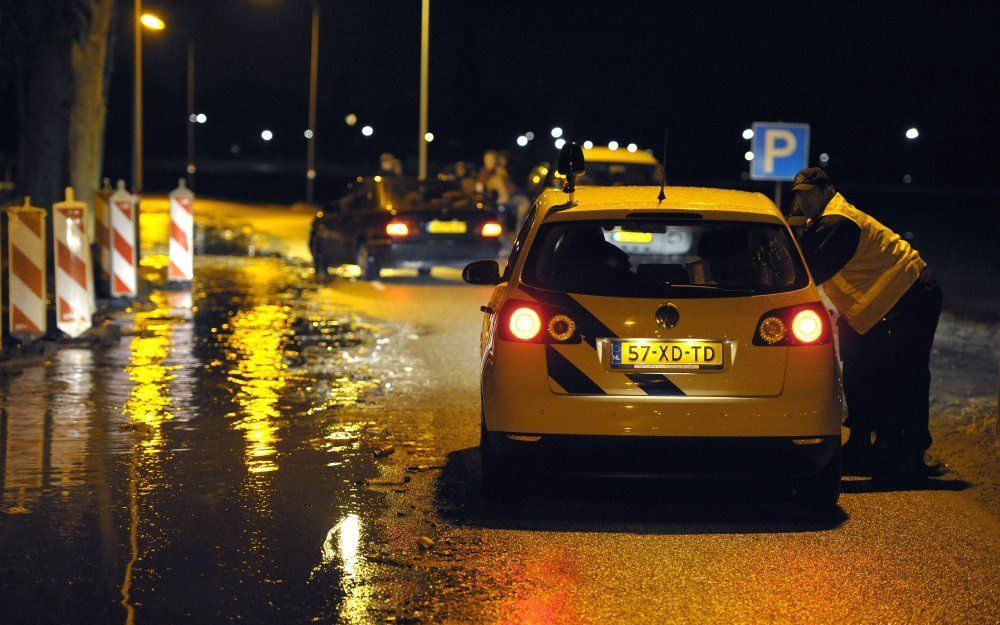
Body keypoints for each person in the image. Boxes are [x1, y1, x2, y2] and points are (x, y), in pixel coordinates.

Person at [792, 167, 943, 480]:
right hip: (874, 308)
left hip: (911, 296)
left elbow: (807, 274)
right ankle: (864, 446)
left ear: (827, 191)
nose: (802, 201)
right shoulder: (820, 221)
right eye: (798, 195)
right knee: (860, 371)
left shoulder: (838, 223)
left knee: (905, 376)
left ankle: (908, 456)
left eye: (808, 194)